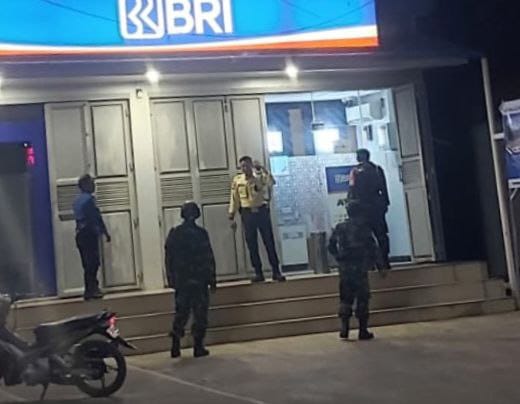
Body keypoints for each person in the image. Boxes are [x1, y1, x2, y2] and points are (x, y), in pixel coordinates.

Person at [165, 202, 217, 359]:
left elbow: (169, 258)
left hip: (184, 280)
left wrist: (171, 278)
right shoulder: (201, 233)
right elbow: (208, 258)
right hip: (198, 280)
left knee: (182, 313)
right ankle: (197, 346)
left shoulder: (175, 233)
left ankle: (176, 344)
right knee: (199, 314)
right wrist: (212, 279)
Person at [328, 200, 383, 341]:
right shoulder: (364, 228)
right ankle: (362, 330)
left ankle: (344, 327)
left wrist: (338, 257)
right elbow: (373, 248)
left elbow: (331, 245)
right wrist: (378, 265)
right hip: (360, 267)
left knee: (345, 298)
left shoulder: (340, 227)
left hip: (345, 268)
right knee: (362, 298)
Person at [229, 156, 286, 283]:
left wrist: (263, 169)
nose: (245, 168)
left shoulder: (259, 177)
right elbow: (234, 198)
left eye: (247, 166)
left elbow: (271, 182)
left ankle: (276, 271)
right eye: (242, 166)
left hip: (261, 212)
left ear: (251, 166)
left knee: (269, 242)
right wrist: (231, 214)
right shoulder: (238, 180)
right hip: (247, 213)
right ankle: (258, 272)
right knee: (252, 244)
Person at [348, 149, 391, 269]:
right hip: (376, 206)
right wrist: (385, 203)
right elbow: (384, 188)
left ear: (360, 157)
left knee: (364, 236)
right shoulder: (377, 169)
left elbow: (352, 190)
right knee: (381, 234)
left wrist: (350, 204)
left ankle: (369, 263)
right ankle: (384, 260)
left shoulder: (355, 171)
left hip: (361, 207)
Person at [73, 174, 111, 301]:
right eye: (91, 183)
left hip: (80, 234)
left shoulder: (77, 201)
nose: (94, 186)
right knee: (93, 263)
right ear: (85, 185)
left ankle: (89, 290)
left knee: (87, 263)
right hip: (88, 234)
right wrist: (104, 232)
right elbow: (95, 217)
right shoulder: (89, 200)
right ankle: (93, 289)